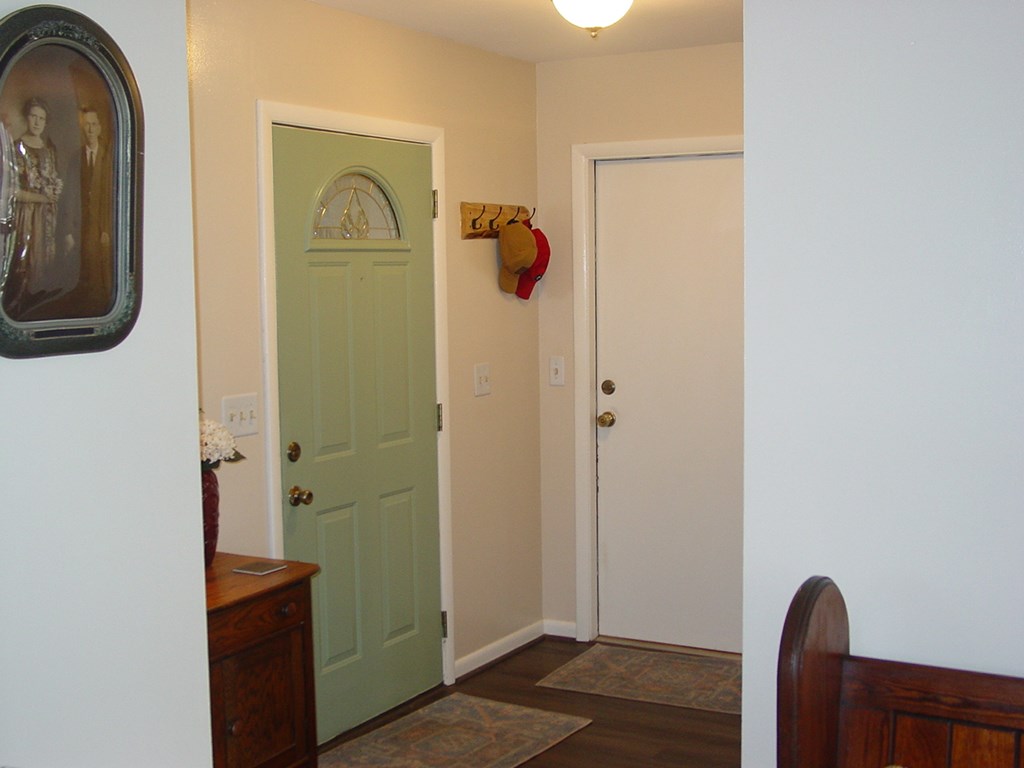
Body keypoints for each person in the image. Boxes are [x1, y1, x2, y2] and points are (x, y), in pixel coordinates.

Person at [1, 97, 65, 321]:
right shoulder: (17, 148)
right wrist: (40, 198)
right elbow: (12, 191)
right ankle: (18, 312)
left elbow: (55, 183)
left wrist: (53, 196)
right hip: (27, 216)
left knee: (45, 265)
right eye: (33, 117)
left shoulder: (49, 150)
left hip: (47, 217)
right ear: (27, 118)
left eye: (42, 118)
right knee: (24, 264)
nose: (37, 122)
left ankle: (40, 312)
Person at [61, 105, 114, 317]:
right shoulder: (76, 158)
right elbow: (70, 196)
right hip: (80, 225)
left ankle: (99, 310)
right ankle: (84, 311)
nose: (90, 129)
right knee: (82, 270)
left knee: (101, 271)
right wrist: (68, 231)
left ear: (100, 128)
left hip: (101, 225)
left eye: (94, 124)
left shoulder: (108, 157)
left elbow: (111, 195)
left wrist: (107, 228)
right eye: (87, 125)